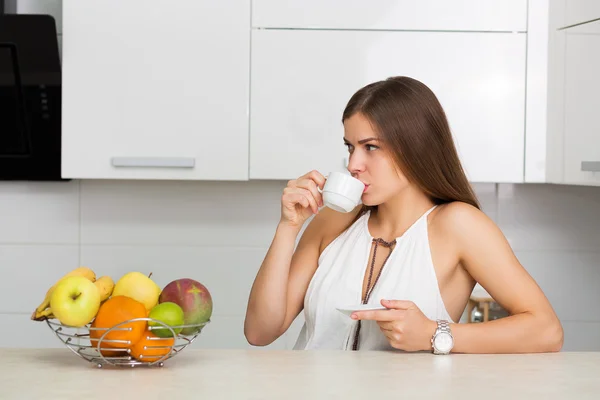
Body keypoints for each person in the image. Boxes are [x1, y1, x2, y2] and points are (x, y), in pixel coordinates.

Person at [244, 76, 564, 354]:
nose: (354, 163)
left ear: (415, 147)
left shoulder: (458, 225)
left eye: (370, 147)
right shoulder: (334, 220)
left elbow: (546, 330)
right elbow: (260, 332)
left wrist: (433, 334)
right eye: (350, 147)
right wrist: (289, 227)